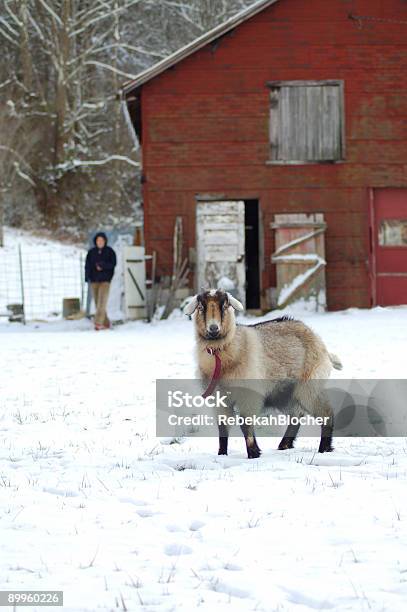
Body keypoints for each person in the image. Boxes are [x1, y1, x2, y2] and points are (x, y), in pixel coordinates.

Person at [85, 232, 117, 330]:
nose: (100, 242)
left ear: (105, 241)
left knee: (102, 301)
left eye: (102, 240)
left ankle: (98, 323)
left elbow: (113, 264)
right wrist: (87, 277)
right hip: (94, 280)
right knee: (97, 302)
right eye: (98, 240)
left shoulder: (110, 252)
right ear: (95, 241)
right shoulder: (91, 252)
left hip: (105, 280)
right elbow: (87, 266)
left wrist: (103, 265)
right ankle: (106, 323)